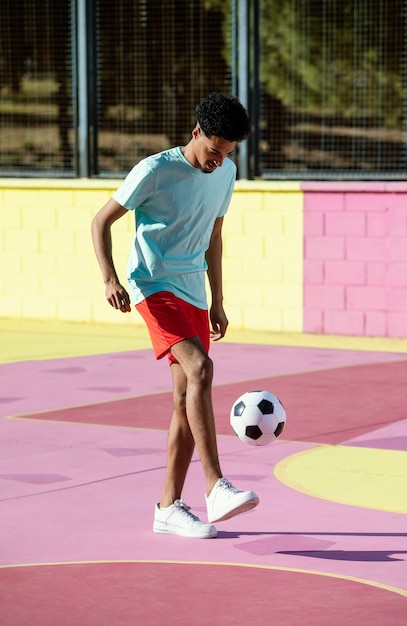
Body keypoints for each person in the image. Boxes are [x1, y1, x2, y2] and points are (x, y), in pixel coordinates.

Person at [91, 92, 259, 539]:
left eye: (226, 155)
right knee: (201, 369)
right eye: (212, 151)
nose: (217, 162)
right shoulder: (154, 170)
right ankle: (215, 485)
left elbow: (214, 237)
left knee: (186, 403)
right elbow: (100, 221)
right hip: (153, 286)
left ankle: (168, 507)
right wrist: (110, 278)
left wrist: (218, 298)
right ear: (196, 132)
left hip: (194, 292)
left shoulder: (227, 173)